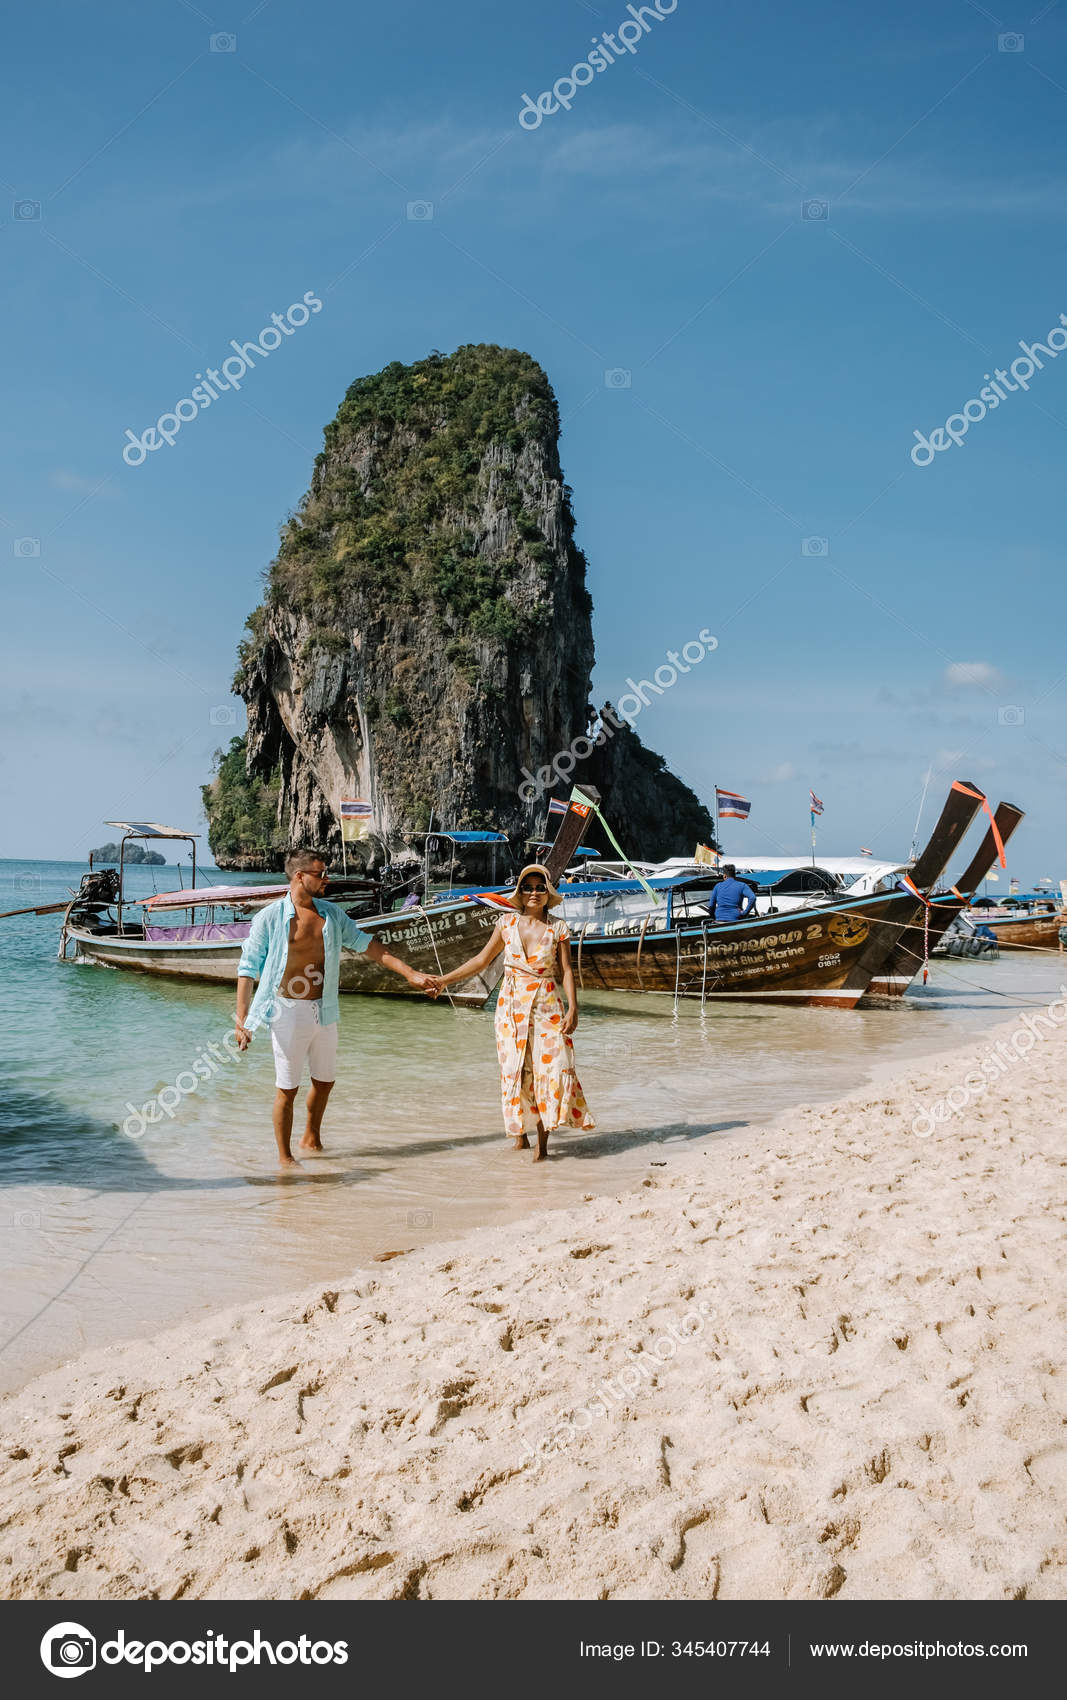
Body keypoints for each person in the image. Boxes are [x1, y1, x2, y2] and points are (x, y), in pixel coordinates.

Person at [235, 849, 437, 1169]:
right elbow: (247, 969)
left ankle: (310, 1138)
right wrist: (242, 1020)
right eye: (320, 874)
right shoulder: (271, 918)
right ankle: (285, 1158)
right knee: (287, 1088)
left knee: (325, 1081)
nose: (326, 879)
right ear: (299, 876)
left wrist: (410, 973)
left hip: (324, 1009)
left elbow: (369, 945)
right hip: (286, 1011)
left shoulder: (331, 915)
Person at [428, 864, 595, 1162]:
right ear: (520, 892)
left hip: (547, 1005)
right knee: (514, 1071)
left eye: (540, 887)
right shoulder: (505, 924)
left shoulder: (558, 927)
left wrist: (573, 1007)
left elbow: (567, 971)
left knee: (551, 1069)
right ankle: (521, 1138)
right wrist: (443, 980)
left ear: (548, 892)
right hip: (511, 1006)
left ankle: (543, 1147)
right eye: (528, 887)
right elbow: (480, 961)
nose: (534, 893)